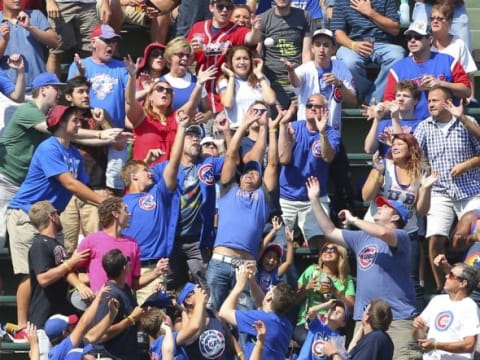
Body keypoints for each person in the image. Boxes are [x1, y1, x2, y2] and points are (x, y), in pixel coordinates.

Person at [7, 105, 105, 330]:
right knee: (26, 273)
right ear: (60, 123)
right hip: (26, 214)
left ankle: (52, 322)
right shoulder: (48, 148)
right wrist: (103, 202)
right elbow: (70, 183)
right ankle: (22, 327)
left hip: (51, 219)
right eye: (74, 121)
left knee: (57, 271)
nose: (79, 124)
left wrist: (102, 203)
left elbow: (83, 186)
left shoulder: (73, 153)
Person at [306, 176, 419, 359]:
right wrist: (314, 200)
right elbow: (330, 231)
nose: (379, 207)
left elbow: (382, 232)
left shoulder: (401, 236)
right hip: (366, 319)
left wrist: (353, 219)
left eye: (385, 207)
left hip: (398, 319)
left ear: (396, 217)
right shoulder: (362, 238)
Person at [206, 105, 280, 310]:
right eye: (246, 171)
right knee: (212, 314)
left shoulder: (262, 197)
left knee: (245, 321)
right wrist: (244, 126)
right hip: (220, 261)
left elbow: (272, 164)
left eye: (254, 172)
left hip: (246, 266)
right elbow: (230, 156)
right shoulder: (229, 188)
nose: (249, 174)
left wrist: (271, 130)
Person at [121, 111, 194, 304]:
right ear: (134, 177)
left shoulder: (158, 194)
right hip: (125, 269)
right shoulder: (121, 203)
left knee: (152, 320)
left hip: (152, 269)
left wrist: (181, 129)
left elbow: (174, 164)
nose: (151, 173)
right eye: (146, 170)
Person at [413, 86, 480, 291]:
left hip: (470, 189)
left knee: (474, 236)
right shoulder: (424, 127)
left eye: (435, 100)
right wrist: (426, 175)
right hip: (440, 191)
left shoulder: (467, 122)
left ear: (448, 102)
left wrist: (465, 165)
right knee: (435, 239)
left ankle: (473, 284)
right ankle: (445, 287)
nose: (430, 104)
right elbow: (417, 157)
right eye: (429, 100)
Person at [362, 133, 438, 309]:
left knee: (410, 280)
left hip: (406, 233)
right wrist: (377, 173)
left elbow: (421, 211)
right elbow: (366, 196)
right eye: (393, 144)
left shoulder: (420, 172)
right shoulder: (384, 166)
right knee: (374, 274)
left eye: (399, 144)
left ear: (411, 149)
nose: (394, 147)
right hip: (376, 230)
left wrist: (426, 189)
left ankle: (415, 320)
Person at [285, 28, 357, 214]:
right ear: (312, 48)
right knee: (305, 178)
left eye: (326, 45)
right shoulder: (305, 68)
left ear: (333, 48)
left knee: (341, 179)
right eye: (317, 45)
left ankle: (344, 217)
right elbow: (296, 82)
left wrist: (340, 84)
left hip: (331, 132)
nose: (322, 49)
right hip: (306, 133)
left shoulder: (341, 68)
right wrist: (290, 71)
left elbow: (352, 100)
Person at [68, 23, 130, 190]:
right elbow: (71, 94)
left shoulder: (122, 67)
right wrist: (80, 73)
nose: (111, 45)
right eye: (107, 41)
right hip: (89, 133)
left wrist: (141, 83)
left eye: (114, 42)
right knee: (86, 182)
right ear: (93, 42)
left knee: (115, 186)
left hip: (114, 132)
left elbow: (130, 99)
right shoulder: (80, 64)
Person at [126, 55, 216, 166]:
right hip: (144, 176)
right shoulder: (141, 116)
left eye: (168, 91)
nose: (164, 92)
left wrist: (199, 84)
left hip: (170, 178)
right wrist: (132, 76)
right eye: (159, 89)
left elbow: (192, 103)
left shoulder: (176, 117)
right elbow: (130, 100)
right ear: (150, 97)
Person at [278, 93, 340, 248]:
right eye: (309, 105)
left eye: (317, 106)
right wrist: (286, 133)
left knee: (318, 243)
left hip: (315, 198)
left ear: (325, 110)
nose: (312, 108)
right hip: (287, 195)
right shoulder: (293, 127)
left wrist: (322, 132)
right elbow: (283, 159)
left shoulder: (332, 133)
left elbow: (328, 157)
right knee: (280, 242)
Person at [76, 197, 169, 294]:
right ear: (115, 214)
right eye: (125, 209)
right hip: (99, 305)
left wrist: (157, 272)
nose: (129, 213)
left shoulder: (133, 244)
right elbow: (70, 270)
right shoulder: (91, 241)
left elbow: (134, 284)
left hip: (124, 305)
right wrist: (80, 285)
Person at [383, 21, 471, 121]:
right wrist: (380, 108)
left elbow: (466, 91)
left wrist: (441, 84)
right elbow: (389, 100)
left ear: (430, 39)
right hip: (411, 125)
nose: (412, 40)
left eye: (418, 37)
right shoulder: (398, 68)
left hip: (446, 123)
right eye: (409, 37)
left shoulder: (448, 61)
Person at [186, 0, 262, 112]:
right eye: (220, 6)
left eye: (229, 7)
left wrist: (256, 29)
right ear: (212, 7)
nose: (225, 10)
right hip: (203, 88)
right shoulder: (198, 28)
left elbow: (251, 39)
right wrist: (191, 50)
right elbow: (188, 60)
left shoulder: (238, 30)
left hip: (227, 86)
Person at [28, 200, 92, 329]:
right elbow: (43, 278)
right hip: (44, 319)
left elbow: (66, 275)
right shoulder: (40, 244)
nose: (60, 216)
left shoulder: (56, 244)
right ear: (52, 217)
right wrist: (71, 262)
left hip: (62, 315)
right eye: (58, 213)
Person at [329, 0, 405, 104]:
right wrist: (353, 45)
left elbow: (395, 29)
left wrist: (370, 12)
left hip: (382, 44)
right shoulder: (342, 2)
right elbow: (337, 33)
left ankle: (373, 99)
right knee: (349, 62)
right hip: (353, 44)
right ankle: (364, 96)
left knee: (398, 56)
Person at [218, 265, 296, 360]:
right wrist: (252, 282)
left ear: (269, 297)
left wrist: (239, 285)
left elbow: (224, 312)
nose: (267, 292)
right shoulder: (286, 325)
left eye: (270, 289)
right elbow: (263, 303)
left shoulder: (262, 319)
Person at [413, 263, 480, 359]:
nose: (446, 276)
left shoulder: (469, 307)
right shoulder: (437, 301)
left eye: (451, 275)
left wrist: (436, 345)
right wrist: (417, 327)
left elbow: (469, 345)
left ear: (463, 283)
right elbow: (419, 336)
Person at [294, 242, 355, 345]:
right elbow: (294, 300)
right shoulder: (311, 271)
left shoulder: (346, 279)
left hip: (332, 325)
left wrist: (334, 291)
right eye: (325, 249)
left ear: (340, 255)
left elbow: (351, 306)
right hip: (306, 323)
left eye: (333, 250)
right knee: (312, 341)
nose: (328, 251)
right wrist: (307, 288)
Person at [89, 249, 144, 359]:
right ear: (124, 268)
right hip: (111, 356)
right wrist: (131, 319)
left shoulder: (125, 288)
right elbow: (103, 335)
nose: (130, 263)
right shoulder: (109, 295)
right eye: (127, 261)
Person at [260, 0, 313, 109]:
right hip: (273, 81)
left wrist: (304, 81)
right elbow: (259, 51)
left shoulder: (305, 16)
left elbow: (306, 53)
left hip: (297, 78)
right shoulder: (264, 18)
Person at [46, 285, 119, 360]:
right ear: (65, 332)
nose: (74, 326)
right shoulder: (60, 350)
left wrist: (111, 315)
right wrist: (97, 300)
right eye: (71, 326)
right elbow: (82, 326)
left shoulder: (66, 348)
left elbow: (92, 336)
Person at [0, 0, 59, 92]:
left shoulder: (35, 15)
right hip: (8, 91)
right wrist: (4, 40)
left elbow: (54, 42)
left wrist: (30, 27)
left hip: (38, 89)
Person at [218, 45, 276, 129]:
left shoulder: (260, 78)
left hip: (261, 129)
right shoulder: (225, 81)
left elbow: (271, 100)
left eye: (245, 58)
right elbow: (227, 104)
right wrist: (231, 76)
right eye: (238, 59)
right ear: (231, 62)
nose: (242, 62)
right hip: (237, 129)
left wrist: (259, 74)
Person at [364, 81, 423, 157]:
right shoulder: (384, 123)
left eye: (406, 96)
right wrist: (377, 119)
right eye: (398, 95)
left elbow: (408, 152)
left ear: (415, 101)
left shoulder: (420, 125)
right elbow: (369, 149)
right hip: (385, 166)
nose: (400, 99)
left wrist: (395, 118)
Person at [323, 299, 394, 360]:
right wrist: (363, 325)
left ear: (367, 317)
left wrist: (333, 353)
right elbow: (350, 354)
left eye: (365, 308)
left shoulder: (374, 339)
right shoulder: (377, 338)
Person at [44, 0, 99, 77]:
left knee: (91, 52)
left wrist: (105, 3)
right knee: (55, 52)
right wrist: (49, 2)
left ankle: (89, 87)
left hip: (89, 6)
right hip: (60, 5)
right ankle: (52, 87)